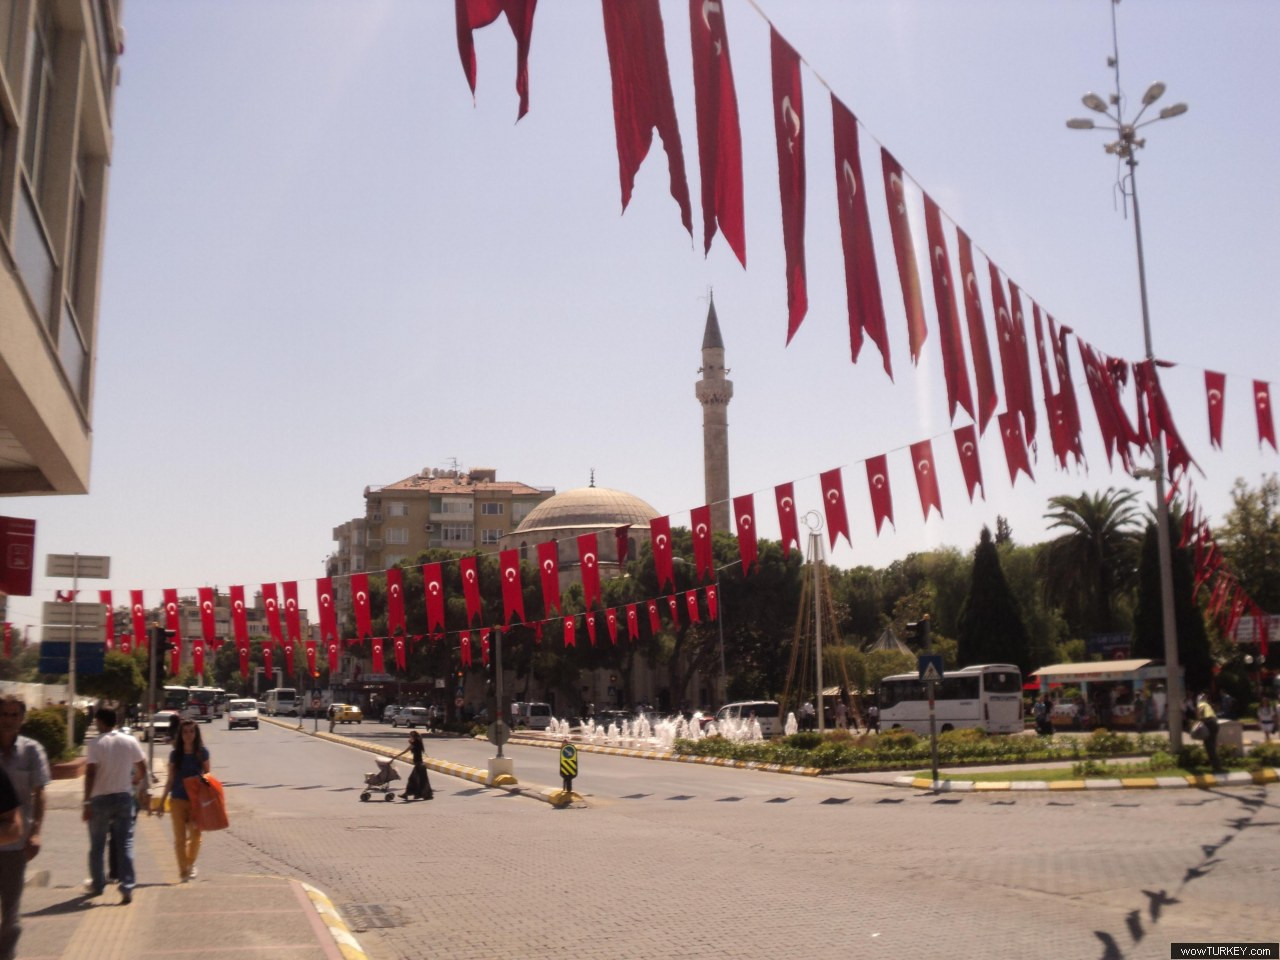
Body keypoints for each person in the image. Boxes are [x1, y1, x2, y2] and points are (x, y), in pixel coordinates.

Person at [83, 707, 147, 904]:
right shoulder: (130, 741)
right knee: (125, 842)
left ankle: (98, 884)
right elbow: (142, 767)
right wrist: (135, 780)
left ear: (101, 722)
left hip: (100, 799)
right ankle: (127, 886)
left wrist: (86, 801)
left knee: (97, 845)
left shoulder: (95, 744)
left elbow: (91, 773)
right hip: (123, 797)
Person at [0, 697, 46, 960]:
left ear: (21, 719)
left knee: (11, 917)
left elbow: (40, 793)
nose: (8, 719)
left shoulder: (32, 751)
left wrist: (36, 831)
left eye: (13, 715)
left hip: (15, 844)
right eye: (4, 714)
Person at [156, 720, 210, 882]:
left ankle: (191, 863)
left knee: (195, 836)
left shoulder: (202, 753)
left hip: (196, 802)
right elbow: (171, 779)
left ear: (196, 734)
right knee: (179, 838)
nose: (188, 735)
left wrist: (203, 786)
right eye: (185, 732)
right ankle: (183, 871)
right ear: (180, 734)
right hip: (177, 799)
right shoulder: (175, 754)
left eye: (191, 732)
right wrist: (161, 802)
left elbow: (208, 777)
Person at [394, 730, 433, 801]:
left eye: (410, 736)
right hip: (421, 765)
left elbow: (405, 751)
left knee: (412, 779)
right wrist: (396, 756)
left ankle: (406, 794)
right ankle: (426, 795)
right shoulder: (418, 743)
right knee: (422, 781)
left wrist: (396, 756)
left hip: (419, 765)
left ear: (413, 736)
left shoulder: (415, 743)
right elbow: (408, 749)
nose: (409, 737)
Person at [1195, 693, 1224, 773]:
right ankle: (1216, 764)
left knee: (1209, 746)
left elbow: (1200, 711)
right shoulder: (1207, 705)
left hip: (1208, 722)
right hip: (1214, 723)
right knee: (1212, 745)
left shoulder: (1201, 704)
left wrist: (1198, 720)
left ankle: (1216, 767)